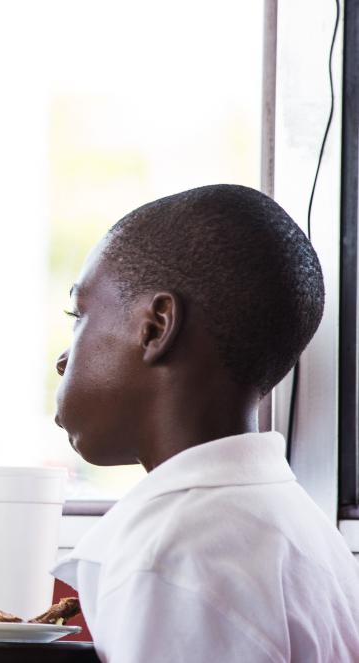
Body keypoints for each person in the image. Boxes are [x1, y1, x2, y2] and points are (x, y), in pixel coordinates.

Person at [51, 184, 359, 661]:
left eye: (80, 315)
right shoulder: (305, 531)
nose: (63, 359)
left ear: (155, 327)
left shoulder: (173, 556)